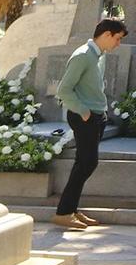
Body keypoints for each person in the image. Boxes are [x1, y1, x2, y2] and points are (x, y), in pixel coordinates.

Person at [52, 17, 129, 230]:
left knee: (84, 163)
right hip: (84, 116)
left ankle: (71, 210)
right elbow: (64, 90)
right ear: (106, 35)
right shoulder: (83, 56)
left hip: (97, 115)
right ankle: (63, 212)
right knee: (88, 163)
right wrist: (83, 111)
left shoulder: (99, 56)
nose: (118, 44)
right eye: (117, 39)